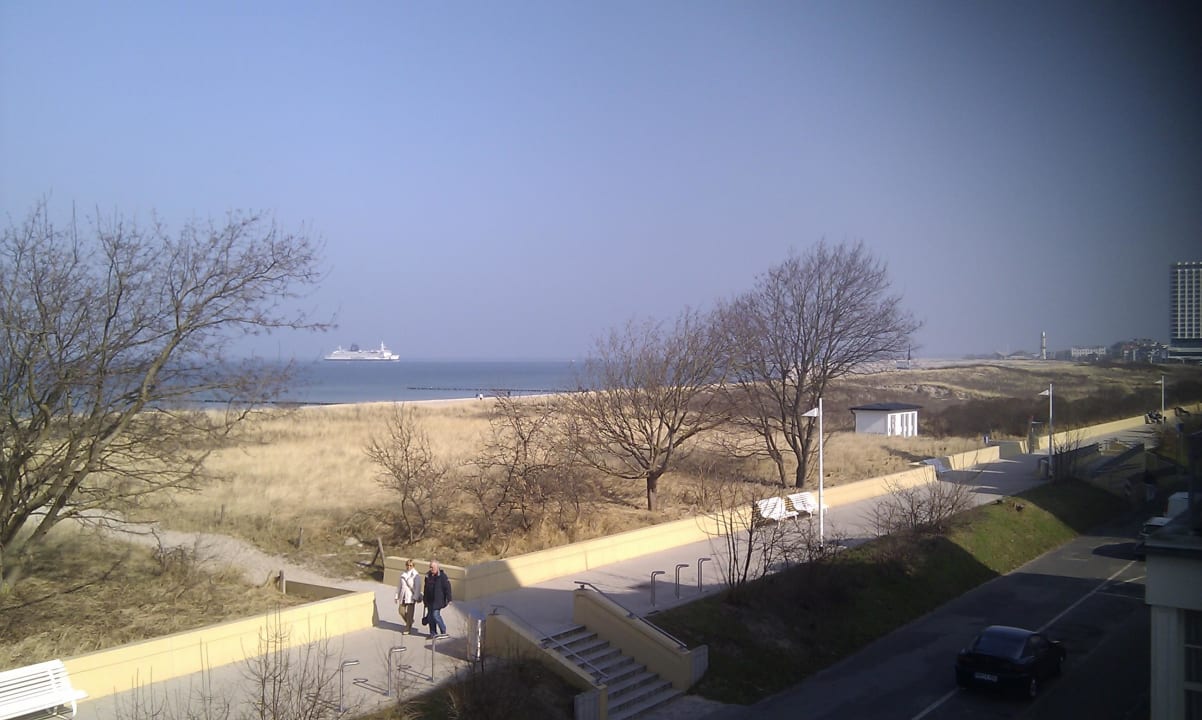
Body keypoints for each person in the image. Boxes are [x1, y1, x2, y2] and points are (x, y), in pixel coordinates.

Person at [422, 559, 452, 639]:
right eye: (430, 567)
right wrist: (424, 599)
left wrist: (449, 598)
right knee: (430, 617)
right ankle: (433, 633)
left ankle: (443, 631)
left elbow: (447, 588)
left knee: (435, 615)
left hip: (438, 601)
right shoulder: (428, 576)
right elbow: (425, 588)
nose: (430, 569)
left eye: (432, 567)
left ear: (437, 567)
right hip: (429, 600)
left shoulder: (442, 576)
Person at [393, 559, 422, 634]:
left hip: (411, 596)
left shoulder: (416, 575)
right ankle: (410, 621)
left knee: (410, 613)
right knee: (401, 611)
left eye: (410, 565)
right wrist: (396, 596)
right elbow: (399, 586)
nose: (409, 567)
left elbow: (418, 587)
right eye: (407, 565)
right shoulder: (403, 574)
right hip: (403, 595)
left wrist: (415, 597)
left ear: (413, 566)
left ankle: (407, 628)